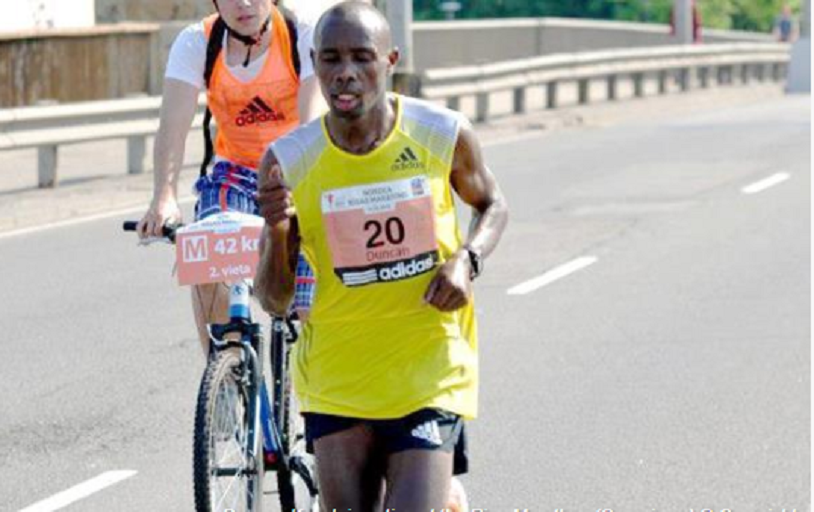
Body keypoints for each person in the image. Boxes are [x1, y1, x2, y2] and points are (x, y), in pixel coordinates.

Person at [255, 2, 509, 510]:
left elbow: (492, 205)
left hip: (427, 366)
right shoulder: (289, 161)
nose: (345, 73)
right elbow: (274, 299)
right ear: (315, 63)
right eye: (330, 59)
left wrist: (468, 259)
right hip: (337, 375)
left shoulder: (441, 133)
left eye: (361, 57)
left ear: (390, 60)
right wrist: (278, 226)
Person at [136, 0, 324, 353]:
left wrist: (297, 181)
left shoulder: (302, 32)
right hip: (235, 173)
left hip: (298, 169)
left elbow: (313, 121)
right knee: (209, 262)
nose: (244, 4)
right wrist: (164, 196)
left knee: (308, 303)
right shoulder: (198, 42)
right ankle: (227, 382)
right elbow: (172, 128)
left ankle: (315, 398)